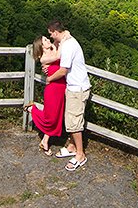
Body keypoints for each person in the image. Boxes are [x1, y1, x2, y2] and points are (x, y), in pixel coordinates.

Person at [45, 19, 90, 171]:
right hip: (75, 86)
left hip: (77, 88)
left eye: (51, 34)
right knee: (71, 119)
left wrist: (49, 78)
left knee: (74, 123)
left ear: (56, 32)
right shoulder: (67, 41)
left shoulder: (69, 46)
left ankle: (80, 154)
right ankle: (71, 146)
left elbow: (63, 70)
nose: (51, 37)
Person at [26, 36, 65, 155]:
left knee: (57, 115)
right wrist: (59, 42)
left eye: (48, 38)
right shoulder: (44, 58)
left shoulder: (53, 49)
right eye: (45, 41)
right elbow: (59, 56)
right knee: (51, 117)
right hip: (52, 89)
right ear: (42, 47)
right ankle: (32, 109)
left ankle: (45, 140)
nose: (49, 40)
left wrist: (54, 44)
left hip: (62, 86)